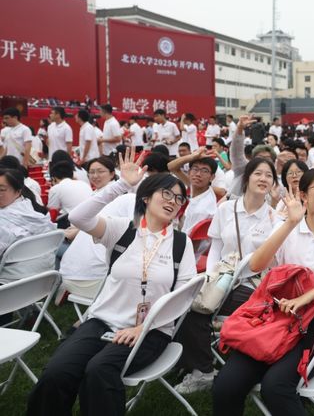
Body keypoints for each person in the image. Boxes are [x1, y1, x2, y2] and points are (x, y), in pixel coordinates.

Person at [28, 149, 196, 416]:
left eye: (179, 197)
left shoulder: (180, 242)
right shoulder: (122, 229)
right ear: (145, 197)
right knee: (56, 374)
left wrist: (144, 327)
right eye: (166, 193)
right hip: (101, 321)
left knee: (99, 371)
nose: (173, 201)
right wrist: (120, 185)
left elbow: (184, 295)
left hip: (151, 331)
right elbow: (78, 219)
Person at [212, 169, 314, 416]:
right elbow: (256, 265)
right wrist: (290, 223)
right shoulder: (288, 229)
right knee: (225, 386)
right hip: (272, 324)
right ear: (303, 195)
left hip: (313, 331)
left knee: (275, 388)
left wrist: (307, 296)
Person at [173, 157, 279, 394]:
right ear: (247, 178)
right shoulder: (226, 209)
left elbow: (276, 260)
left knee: (198, 312)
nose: (263, 179)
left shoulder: (275, 218)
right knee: (187, 302)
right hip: (223, 276)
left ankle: (201, 368)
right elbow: (217, 248)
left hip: (256, 284)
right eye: (258, 173)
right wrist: (210, 278)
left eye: (269, 175)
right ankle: (195, 364)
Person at [58, 156, 121, 300]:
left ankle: (58, 286)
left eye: (100, 171)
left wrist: (78, 233)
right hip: (97, 273)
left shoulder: (114, 196)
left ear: (112, 173)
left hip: (95, 275)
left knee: (55, 248)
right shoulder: (99, 193)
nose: (95, 176)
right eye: (91, 172)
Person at [0, 168, 54, 286]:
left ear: (18, 191)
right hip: (42, 279)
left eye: (1, 189)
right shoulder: (33, 212)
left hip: (11, 283)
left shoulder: (5, 220)